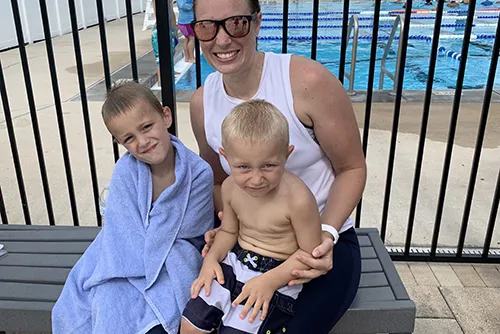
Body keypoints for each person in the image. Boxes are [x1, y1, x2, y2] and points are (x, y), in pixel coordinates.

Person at [188, 0, 366, 333]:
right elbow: (216, 179)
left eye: (236, 23)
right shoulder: (201, 103)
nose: (222, 40)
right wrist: (229, 221)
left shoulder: (306, 82)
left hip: (319, 243)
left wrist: (325, 236)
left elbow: (352, 168)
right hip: (247, 245)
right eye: (207, 26)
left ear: (256, 22)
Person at [51, 82, 214, 334]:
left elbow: (192, 234)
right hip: (123, 264)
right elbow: (121, 232)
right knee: (106, 304)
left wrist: (155, 240)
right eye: (129, 138)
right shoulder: (125, 172)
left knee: (158, 322)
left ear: (166, 116)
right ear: (119, 142)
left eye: (146, 127)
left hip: (173, 264)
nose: (143, 141)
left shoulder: (199, 174)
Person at [181, 100, 323, 333]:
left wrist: (270, 281)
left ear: (286, 155)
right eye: (244, 167)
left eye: (268, 166)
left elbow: (309, 255)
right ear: (225, 157)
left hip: (278, 274)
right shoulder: (229, 188)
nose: (256, 179)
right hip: (235, 262)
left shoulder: (298, 199)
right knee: (191, 327)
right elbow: (228, 231)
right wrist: (211, 260)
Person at [152, 0, 179, 87]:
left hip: (169, 29)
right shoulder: (159, 3)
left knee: (171, 52)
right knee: (160, 58)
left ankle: (170, 73)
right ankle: (161, 80)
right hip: (162, 30)